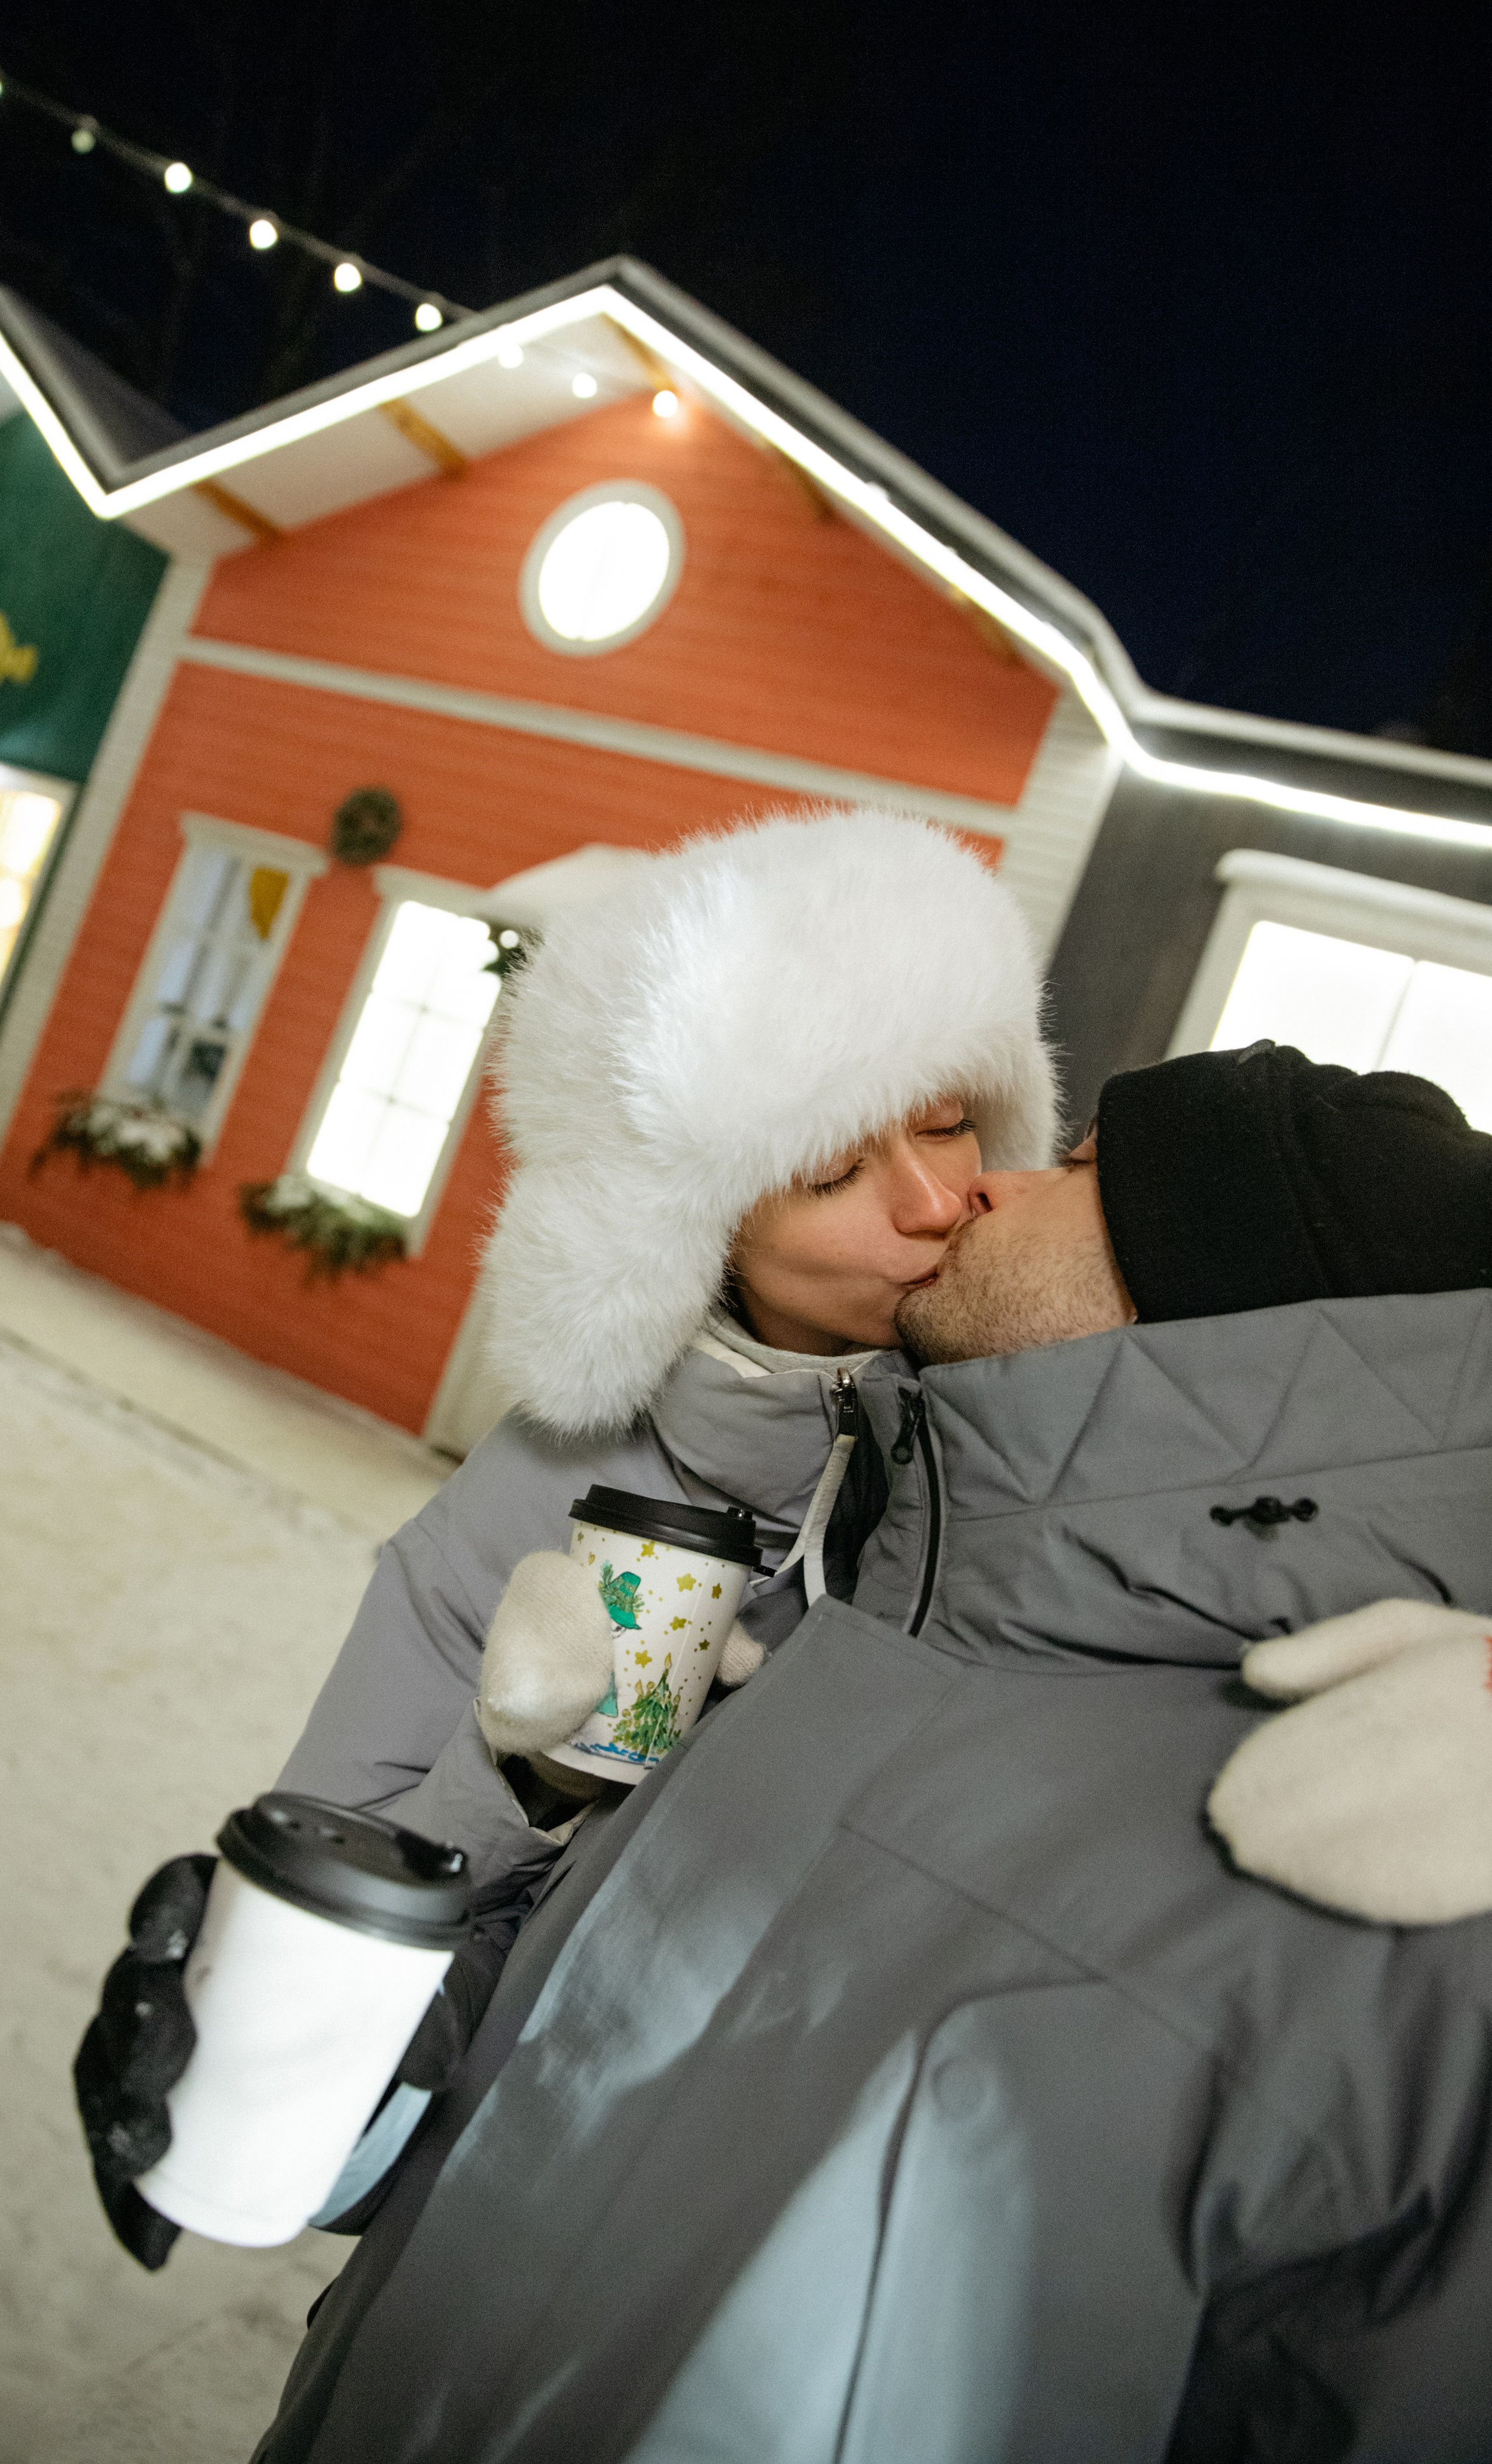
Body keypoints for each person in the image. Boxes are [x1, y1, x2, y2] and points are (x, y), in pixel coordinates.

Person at [252, 1043, 1492, 2464]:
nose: (971, 1193)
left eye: (1060, 1165)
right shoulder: (877, 1610)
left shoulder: (1402, 1825)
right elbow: (525, 2088)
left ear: (1216, 1282)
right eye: (834, 1170)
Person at [77, 805, 1055, 2265]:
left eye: (943, 1122)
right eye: (832, 1173)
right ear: (701, 1227)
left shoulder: (1053, 1452)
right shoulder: (545, 1483)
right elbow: (358, 1897)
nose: (933, 1202)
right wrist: (523, 1774)